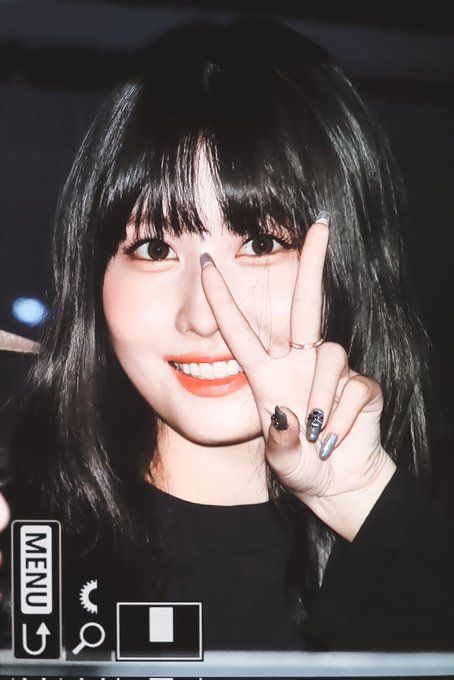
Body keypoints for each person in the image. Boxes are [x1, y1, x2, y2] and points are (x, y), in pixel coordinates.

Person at [0, 16, 453, 653]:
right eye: (155, 249)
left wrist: (366, 503)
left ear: (352, 264)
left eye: (262, 243)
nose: (203, 316)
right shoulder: (21, 545)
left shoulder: (425, 539)